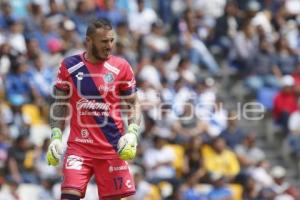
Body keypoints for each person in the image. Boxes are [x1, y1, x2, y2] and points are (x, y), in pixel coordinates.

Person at [46, 19, 141, 200]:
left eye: (112, 40)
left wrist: (132, 133)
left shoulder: (122, 67)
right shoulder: (69, 66)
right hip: (79, 148)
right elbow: (59, 103)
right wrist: (56, 136)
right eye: (104, 41)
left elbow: (133, 103)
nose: (109, 46)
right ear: (89, 41)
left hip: (111, 149)